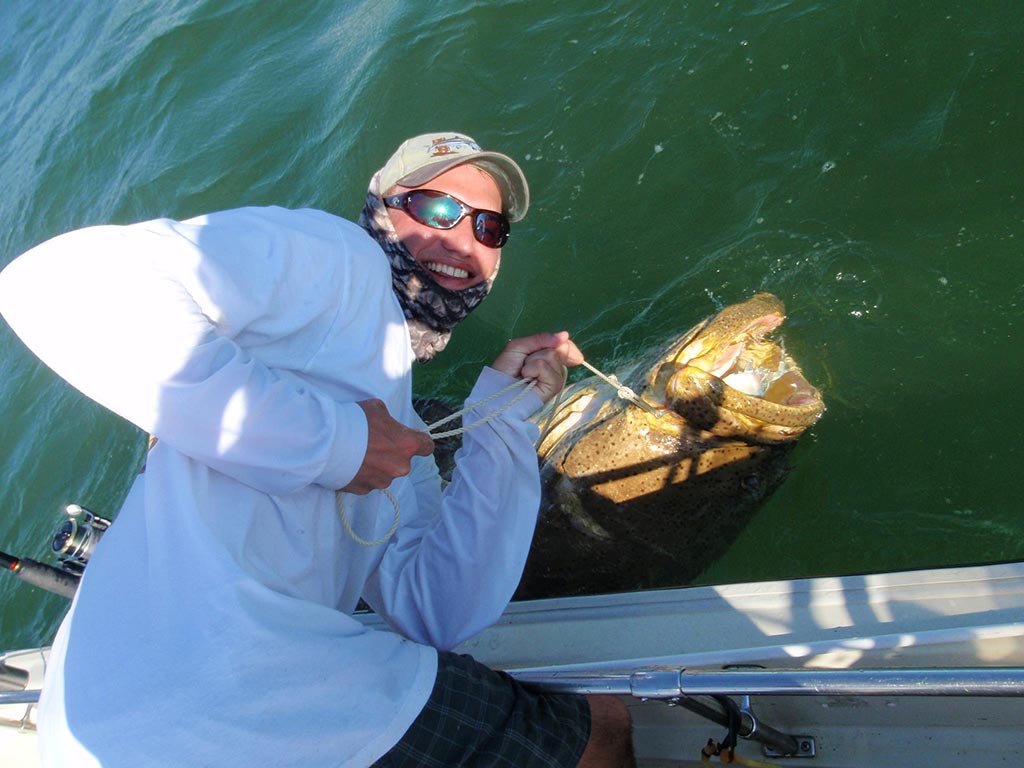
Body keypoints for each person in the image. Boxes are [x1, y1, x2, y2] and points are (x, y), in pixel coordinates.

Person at [0, 133, 635, 767]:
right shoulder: (336, 258)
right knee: (597, 736)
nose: (462, 240)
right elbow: (54, 282)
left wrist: (503, 415)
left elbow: (435, 609)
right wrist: (337, 444)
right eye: (435, 209)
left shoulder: (393, 417)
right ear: (381, 210)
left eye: (489, 228)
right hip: (212, 693)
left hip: (125, 724)